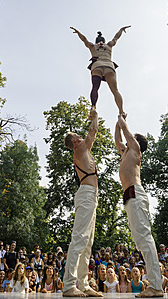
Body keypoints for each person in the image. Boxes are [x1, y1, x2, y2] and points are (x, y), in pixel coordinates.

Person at [115, 114, 163, 297]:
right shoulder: (126, 152)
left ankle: (156, 286)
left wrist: (122, 119)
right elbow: (119, 139)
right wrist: (117, 125)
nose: (128, 140)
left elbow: (126, 135)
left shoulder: (135, 149)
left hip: (136, 192)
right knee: (139, 241)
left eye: (132, 138)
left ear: (136, 141)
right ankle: (155, 285)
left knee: (145, 238)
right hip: (128, 196)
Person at [62, 106, 102, 297]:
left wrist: (94, 117)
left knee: (87, 243)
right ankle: (69, 285)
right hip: (86, 194)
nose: (81, 136)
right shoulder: (79, 150)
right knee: (79, 239)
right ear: (75, 141)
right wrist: (95, 115)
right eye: (78, 136)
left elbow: (92, 133)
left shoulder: (84, 151)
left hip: (91, 195)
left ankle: (84, 284)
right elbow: (93, 131)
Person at [70, 26, 130, 115]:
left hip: (97, 66)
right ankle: (121, 111)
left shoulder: (92, 46)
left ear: (96, 41)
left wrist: (78, 32)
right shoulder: (109, 45)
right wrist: (121, 30)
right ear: (104, 40)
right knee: (115, 90)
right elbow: (116, 37)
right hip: (109, 66)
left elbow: (84, 39)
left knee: (95, 87)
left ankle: (93, 106)